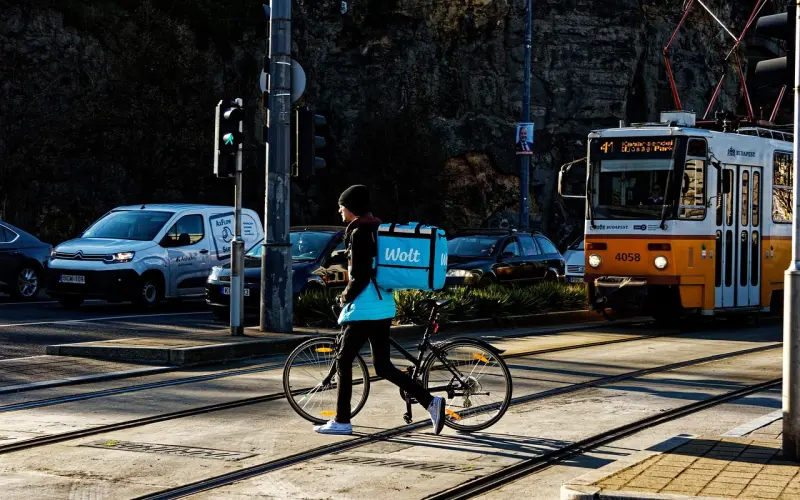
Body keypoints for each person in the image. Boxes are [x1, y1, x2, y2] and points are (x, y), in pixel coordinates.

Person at [312, 184, 446, 436]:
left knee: (343, 359)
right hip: (382, 304)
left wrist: (344, 296)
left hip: (365, 307)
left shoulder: (360, 232)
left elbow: (361, 275)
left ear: (350, 208)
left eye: (342, 205)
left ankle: (341, 420)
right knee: (383, 366)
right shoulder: (375, 229)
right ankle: (431, 402)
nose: (339, 209)